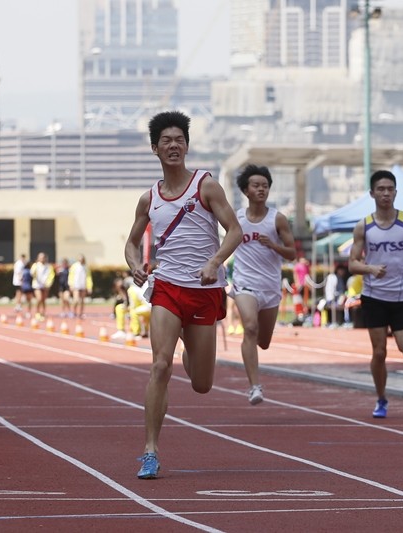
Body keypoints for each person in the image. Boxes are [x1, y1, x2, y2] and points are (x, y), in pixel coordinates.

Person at [124, 110, 243, 479]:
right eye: (166, 141)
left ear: (187, 146)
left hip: (204, 290)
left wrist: (215, 261)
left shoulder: (206, 186)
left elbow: (235, 231)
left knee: (202, 384)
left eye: (179, 140)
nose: (173, 146)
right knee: (160, 364)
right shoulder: (149, 199)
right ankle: (149, 451)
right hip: (168, 288)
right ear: (154, 149)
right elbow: (130, 243)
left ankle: (193, 350)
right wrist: (134, 264)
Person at [348, 169, 403, 419]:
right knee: (379, 352)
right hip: (374, 297)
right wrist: (369, 268)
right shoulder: (363, 226)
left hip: (402, 296)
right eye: (381, 189)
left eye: (389, 189)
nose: (385, 194)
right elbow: (352, 263)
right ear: (372, 193)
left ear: (395, 193)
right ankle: (381, 398)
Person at [229, 164, 296, 405]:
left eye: (265, 186)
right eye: (256, 186)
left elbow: (292, 254)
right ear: (246, 191)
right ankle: (254, 386)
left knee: (263, 341)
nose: (261, 190)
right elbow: (224, 245)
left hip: (270, 288)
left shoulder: (277, 219)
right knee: (249, 328)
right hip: (244, 284)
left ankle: (253, 351)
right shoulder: (235, 218)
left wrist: (274, 245)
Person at [30, 252, 55, 320]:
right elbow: (32, 274)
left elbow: (51, 276)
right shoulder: (35, 265)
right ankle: (37, 313)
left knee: (43, 300)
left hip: (45, 286)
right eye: (40, 257)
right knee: (39, 299)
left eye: (43, 257)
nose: (42, 259)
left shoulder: (49, 266)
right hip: (37, 285)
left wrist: (48, 284)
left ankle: (43, 313)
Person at [69, 254, 93, 319]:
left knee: (82, 300)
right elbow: (71, 276)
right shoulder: (74, 266)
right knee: (76, 300)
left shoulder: (86, 267)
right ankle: (73, 312)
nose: (81, 261)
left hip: (83, 285)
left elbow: (88, 277)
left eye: (82, 259)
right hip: (76, 285)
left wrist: (89, 286)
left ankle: (81, 313)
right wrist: (71, 284)